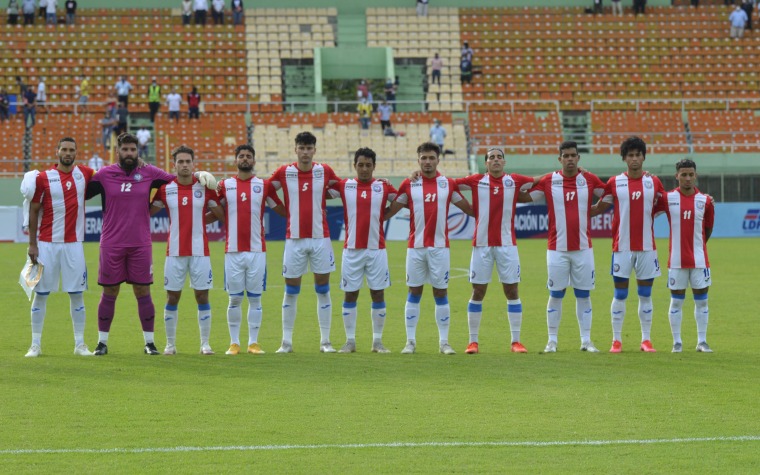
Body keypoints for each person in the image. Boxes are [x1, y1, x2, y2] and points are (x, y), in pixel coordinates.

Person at [85, 133, 217, 356]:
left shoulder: (150, 173)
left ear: (138, 152)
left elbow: (178, 179)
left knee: (142, 290)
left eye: (133, 150)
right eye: (125, 150)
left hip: (140, 244)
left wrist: (200, 174)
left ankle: (150, 343)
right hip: (111, 243)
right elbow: (81, 193)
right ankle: (102, 342)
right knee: (110, 291)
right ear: (118, 152)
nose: (129, 154)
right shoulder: (104, 175)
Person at [386, 142, 474, 354]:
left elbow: (468, 209)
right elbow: (391, 210)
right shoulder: (409, 184)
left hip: (440, 249)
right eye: (423, 158)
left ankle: (444, 342)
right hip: (415, 248)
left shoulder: (447, 184)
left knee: (440, 292)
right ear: (418, 160)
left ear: (438, 160)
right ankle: (410, 342)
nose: (427, 162)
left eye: (431, 158)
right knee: (414, 291)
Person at [453, 148, 538, 354]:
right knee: (478, 291)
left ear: (504, 162)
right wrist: (466, 207)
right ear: (486, 163)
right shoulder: (476, 180)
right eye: (491, 157)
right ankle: (472, 342)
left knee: (512, 291)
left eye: (499, 157)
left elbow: (538, 180)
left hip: (507, 245)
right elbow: (448, 184)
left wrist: (561, 173)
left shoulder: (514, 180)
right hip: (482, 245)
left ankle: (516, 341)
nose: (496, 160)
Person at [530, 141, 607, 353]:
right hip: (557, 249)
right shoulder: (549, 180)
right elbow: (523, 195)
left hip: (583, 249)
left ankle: (586, 341)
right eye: (566, 156)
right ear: (560, 159)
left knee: (584, 295)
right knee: (556, 294)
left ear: (578, 158)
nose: (570, 159)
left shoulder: (589, 179)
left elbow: (610, 194)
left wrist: (596, 209)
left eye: (573, 155)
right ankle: (552, 341)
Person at [269, 131, 342, 353]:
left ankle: (325, 342)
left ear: (314, 150)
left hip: (321, 239)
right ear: (296, 150)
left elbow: (342, 189)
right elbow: (264, 192)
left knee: (322, 289)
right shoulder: (284, 172)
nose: (305, 152)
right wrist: (285, 212)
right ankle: (286, 342)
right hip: (295, 240)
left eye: (309, 148)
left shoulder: (324, 170)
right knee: (291, 291)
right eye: (302, 148)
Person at [592, 136, 665, 353]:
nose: (634, 159)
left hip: (646, 248)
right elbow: (598, 207)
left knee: (645, 294)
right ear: (624, 158)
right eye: (630, 155)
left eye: (638, 155)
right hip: (621, 247)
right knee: (620, 294)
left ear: (644, 157)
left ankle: (646, 340)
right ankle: (616, 340)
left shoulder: (654, 182)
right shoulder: (614, 183)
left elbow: (664, 206)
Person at [24, 137, 95, 357]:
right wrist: (32, 244)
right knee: (41, 294)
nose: (67, 152)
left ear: (76, 152)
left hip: (74, 245)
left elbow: (114, 172)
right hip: (46, 244)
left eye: (71, 149)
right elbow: (34, 210)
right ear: (57, 152)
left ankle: (80, 344)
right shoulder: (44, 178)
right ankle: (35, 344)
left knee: (77, 294)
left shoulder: (85, 173)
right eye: (64, 149)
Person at [150, 146, 221, 356]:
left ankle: (205, 344)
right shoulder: (165, 189)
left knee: (202, 296)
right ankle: (170, 345)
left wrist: (214, 188)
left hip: (200, 252)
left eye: (187, 161)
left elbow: (220, 214)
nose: (184, 165)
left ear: (193, 163)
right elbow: (147, 211)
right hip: (174, 252)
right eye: (180, 162)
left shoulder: (204, 187)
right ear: (174, 165)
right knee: (172, 297)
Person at [215, 144, 285, 355]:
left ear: (254, 161)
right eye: (241, 156)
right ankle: (234, 343)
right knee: (234, 298)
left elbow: (280, 208)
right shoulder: (224, 185)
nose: (245, 159)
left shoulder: (264, 186)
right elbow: (212, 205)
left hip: (257, 251)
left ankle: (253, 343)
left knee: (255, 298)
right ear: (235, 160)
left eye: (248, 156)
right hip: (233, 251)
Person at [329, 148, 398, 353]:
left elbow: (403, 198)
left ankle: (377, 342)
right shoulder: (345, 185)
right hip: (352, 251)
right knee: (350, 295)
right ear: (354, 166)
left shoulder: (383, 186)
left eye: (368, 165)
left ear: (374, 166)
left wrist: (386, 214)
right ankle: (350, 341)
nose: (365, 169)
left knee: (378, 294)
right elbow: (321, 193)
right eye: (361, 165)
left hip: (377, 250)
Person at [654, 159, 715, 353]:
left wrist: (697, 247)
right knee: (676, 301)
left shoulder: (705, 201)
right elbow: (650, 209)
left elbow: (708, 229)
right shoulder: (667, 198)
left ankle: (702, 341)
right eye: (684, 174)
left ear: (695, 175)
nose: (687, 178)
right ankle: (677, 342)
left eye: (691, 174)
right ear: (677, 176)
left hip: (699, 260)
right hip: (676, 260)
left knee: (702, 300)